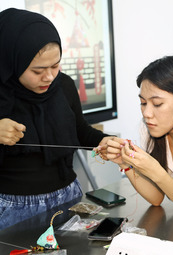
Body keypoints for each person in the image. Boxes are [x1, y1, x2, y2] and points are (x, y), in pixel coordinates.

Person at [0, 8, 113, 230]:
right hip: (12, 208)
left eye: (55, 65)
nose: (49, 77)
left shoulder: (64, 85)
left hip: (68, 198)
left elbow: (80, 130)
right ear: (13, 61)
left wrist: (104, 141)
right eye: (38, 70)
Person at [106, 56, 173, 216]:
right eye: (143, 103)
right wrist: (125, 164)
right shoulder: (148, 130)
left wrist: (154, 170)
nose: (147, 113)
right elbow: (156, 198)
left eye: (157, 104)